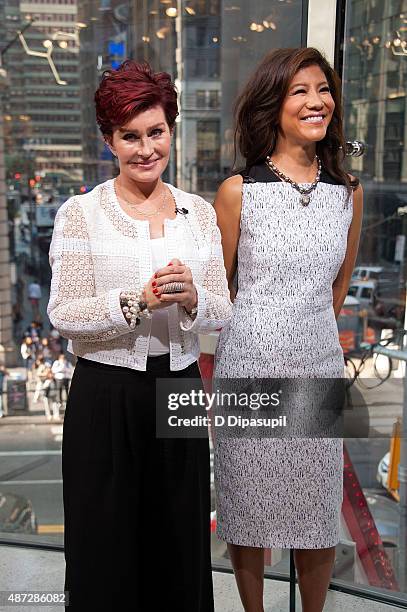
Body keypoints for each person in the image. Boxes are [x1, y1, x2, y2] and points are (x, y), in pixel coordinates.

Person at [47, 60, 231, 611]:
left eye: (156, 132)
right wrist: (137, 301)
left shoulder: (198, 213)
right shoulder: (80, 214)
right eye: (130, 136)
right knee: (104, 545)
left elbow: (222, 308)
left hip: (177, 388)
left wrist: (193, 297)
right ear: (109, 141)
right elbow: (64, 312)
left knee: (178, 542)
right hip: (104, 393)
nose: (146, 149)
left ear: (171, 129)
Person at [213, 47, 363, 612]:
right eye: (300, 90)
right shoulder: (237, 192)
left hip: (317, 367)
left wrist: (305, 334)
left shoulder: (347, 193)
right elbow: (220, 287)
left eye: (322, 89)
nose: (316, 101)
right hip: (248, 366)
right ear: (274, 103)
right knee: (248, 508)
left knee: (317, 510)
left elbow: (338, 287)